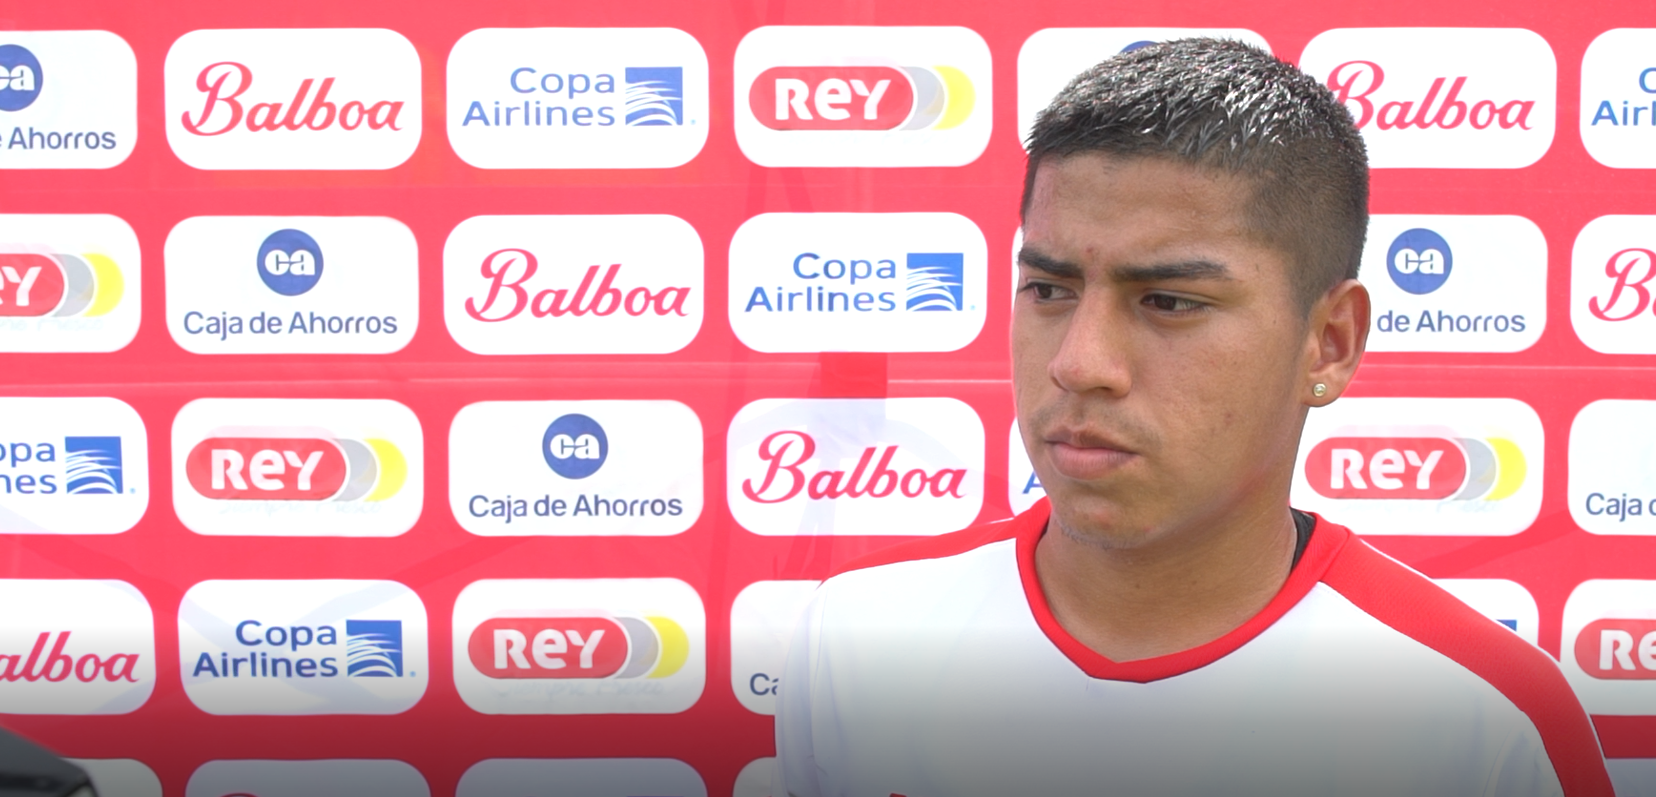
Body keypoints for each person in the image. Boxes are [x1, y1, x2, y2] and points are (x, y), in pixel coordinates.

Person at [772, 38, 1611, 796]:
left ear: (1328, 343)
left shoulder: (1488, 720)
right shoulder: (855, 634)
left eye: (1169, 301)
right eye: (1050, 289)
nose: (1079, 363)